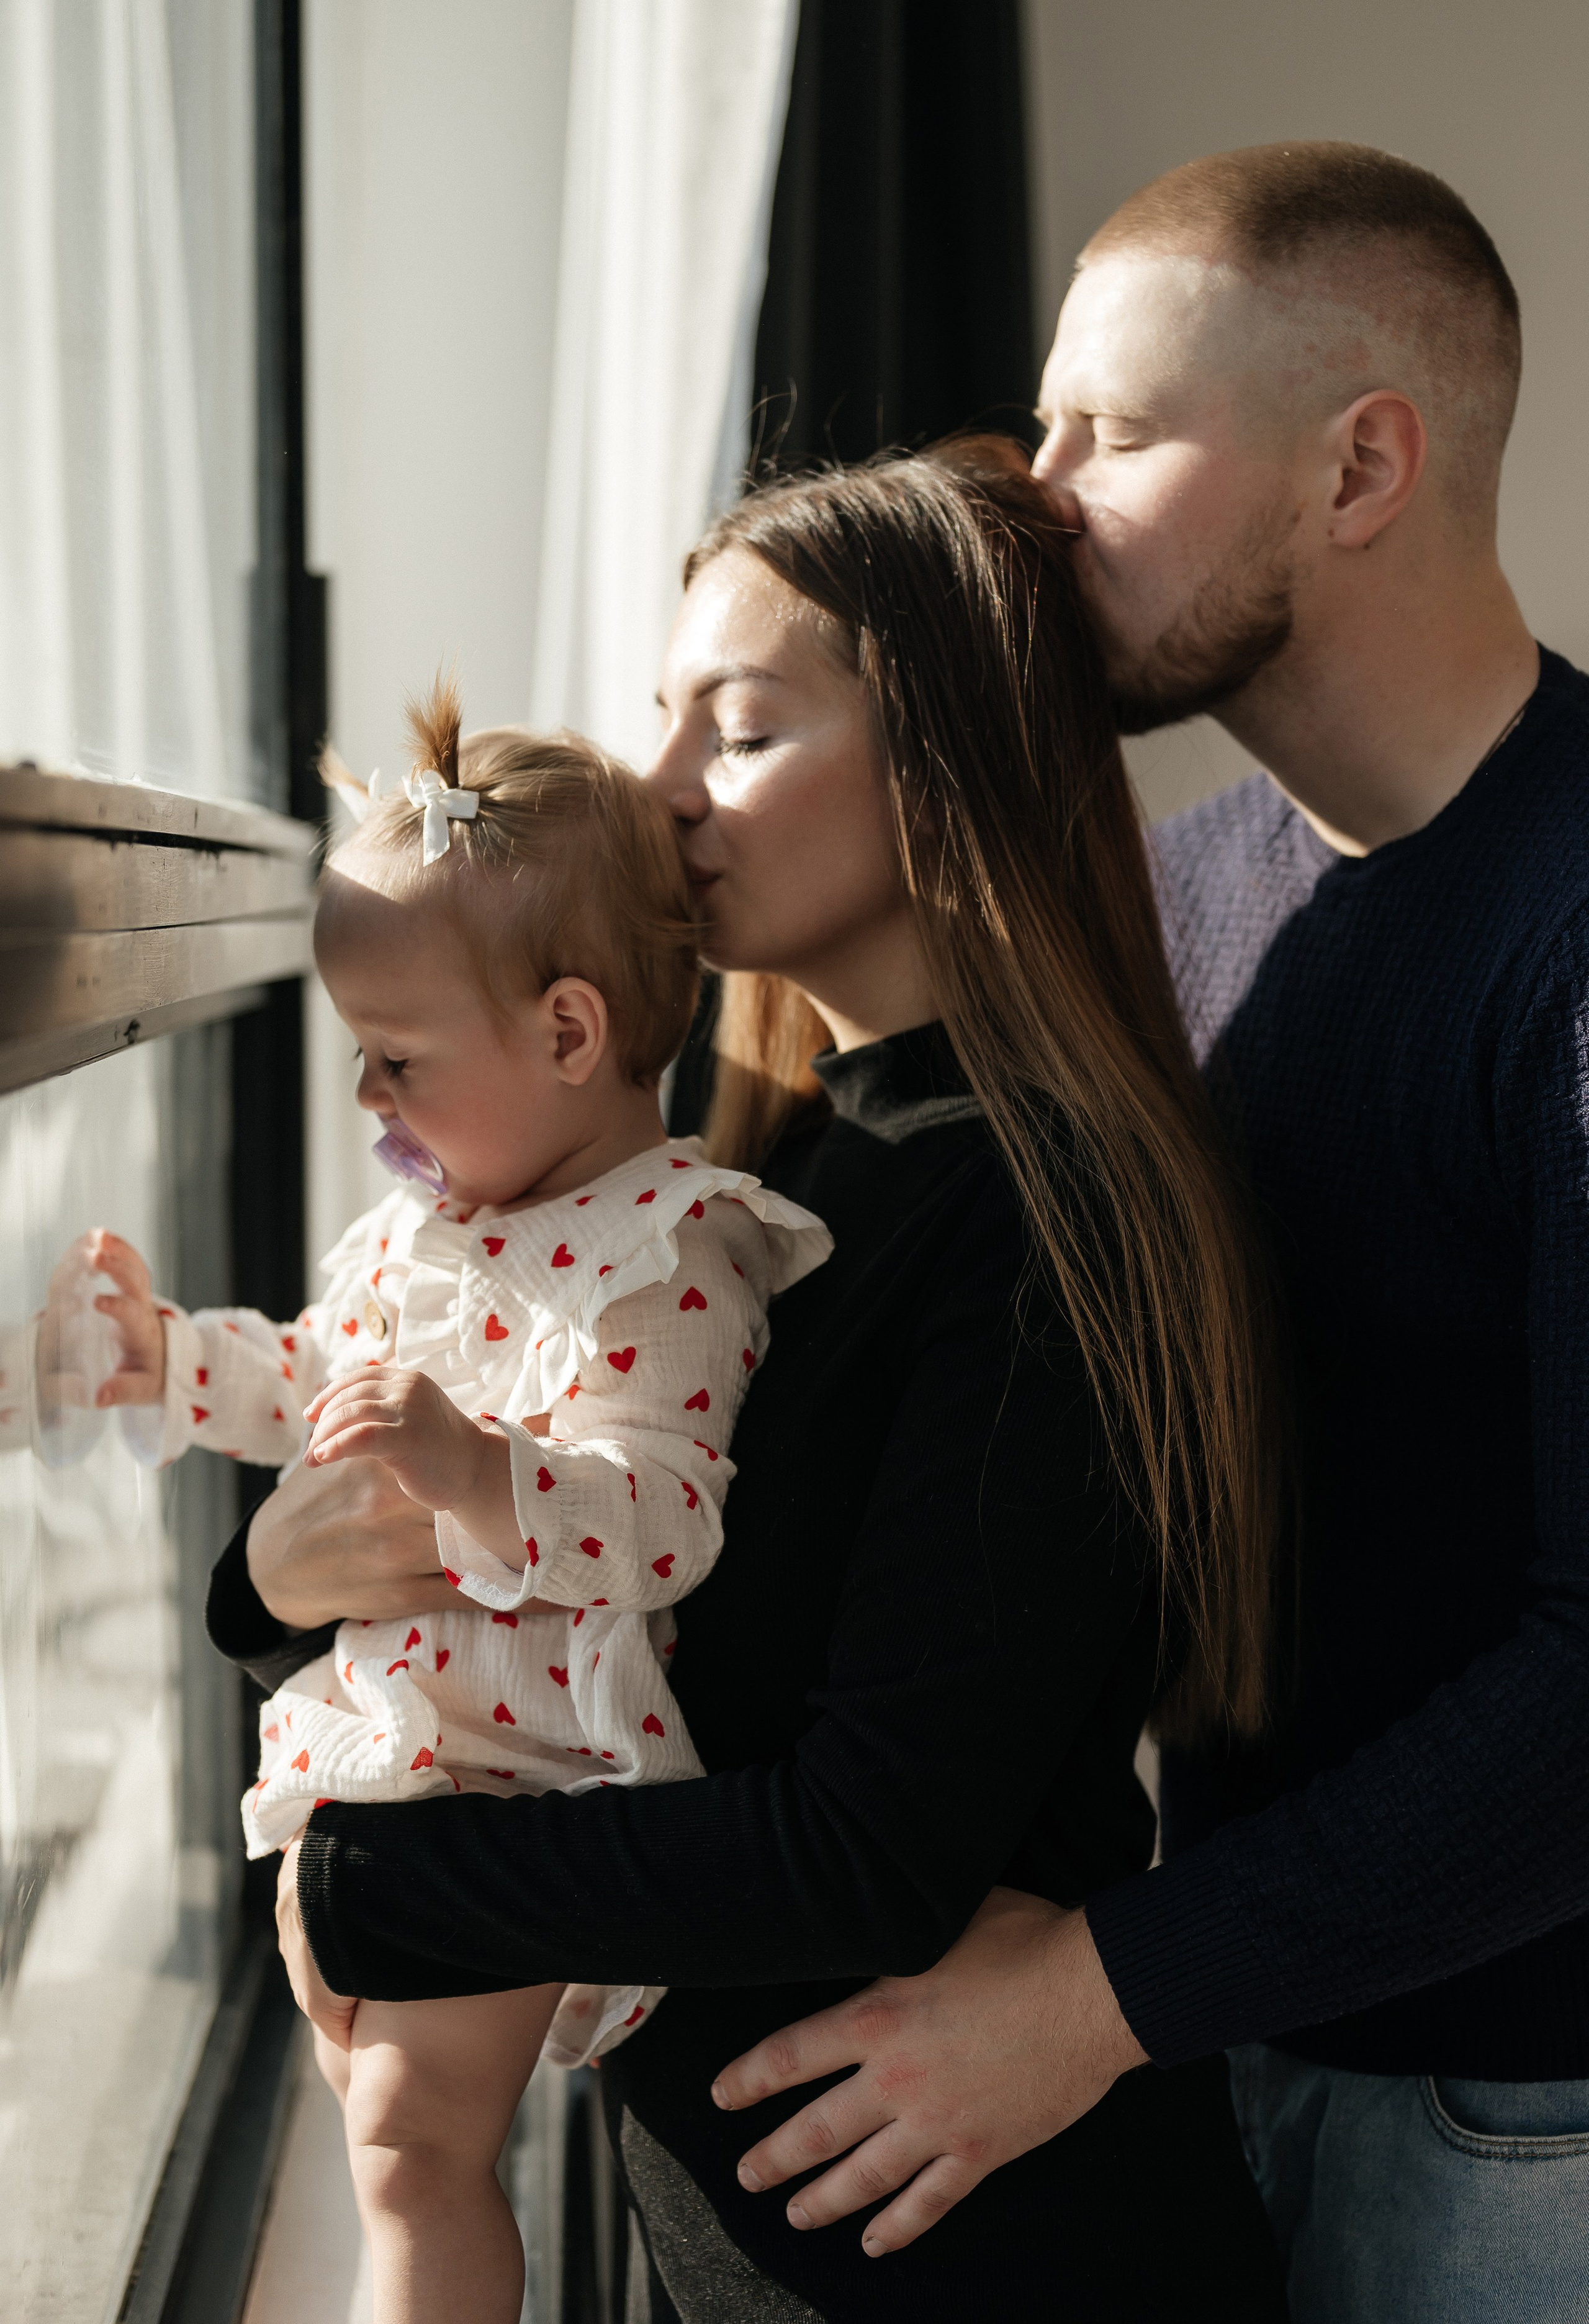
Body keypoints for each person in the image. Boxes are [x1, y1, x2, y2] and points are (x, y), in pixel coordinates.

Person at [209, 441, 1290, 2318]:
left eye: (746, 729)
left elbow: (858, 1844)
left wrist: (375, 1891)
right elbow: (481, 1509)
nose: (659, 787)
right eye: (661, 714)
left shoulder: (1047, 1213)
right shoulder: (736, 1177)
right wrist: (264, 1585)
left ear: (947, 765)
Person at [710, 143, 1589, 2324]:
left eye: (1111, 433)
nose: (1036, 489)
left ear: (1361, 463)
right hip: (1234, 2045)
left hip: (1523, 2132)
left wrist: (1089, 1995)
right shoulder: (1185, 907)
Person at [94, 693, 829, 2324]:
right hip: (391, 1753)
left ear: (570, 1035)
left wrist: (472, 1471)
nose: (368, 1097)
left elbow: (663, 1521)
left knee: (420, 2155)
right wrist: (165, 1358)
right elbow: (304, 1377)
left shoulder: (671, 1249)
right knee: (386, 2142)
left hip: (524, 1785)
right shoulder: (423, 1233)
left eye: (399, 1057)